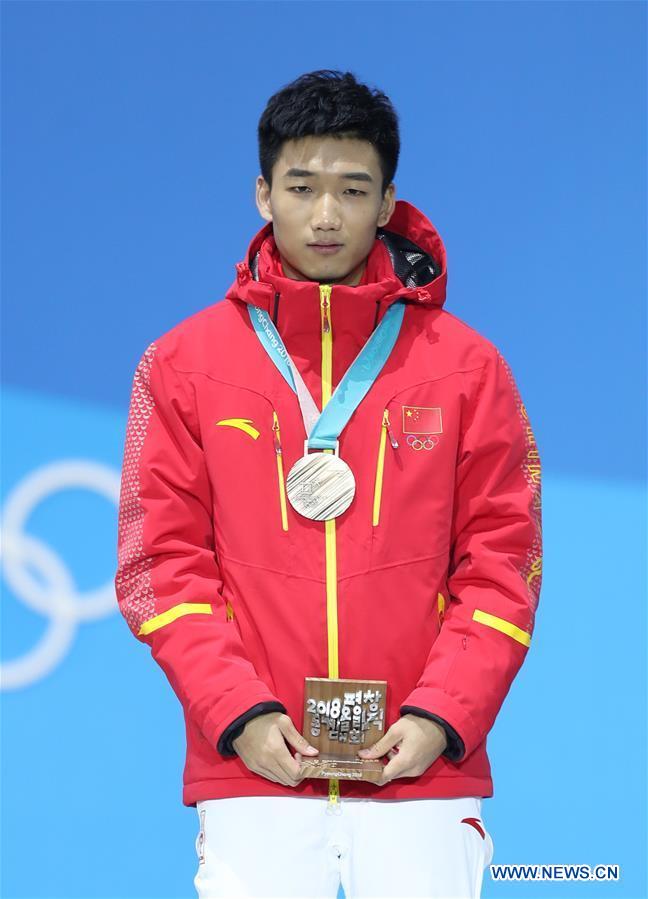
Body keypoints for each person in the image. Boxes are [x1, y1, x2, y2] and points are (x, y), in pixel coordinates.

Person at [114, 69, 543, 899]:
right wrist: (236, 713)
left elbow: (504, 565)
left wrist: (439, 717)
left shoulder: (468, 368)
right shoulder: (181, 365)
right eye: (301, 186)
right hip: (254, 767)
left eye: (352, 189)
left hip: (420, 771)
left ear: (386, 204)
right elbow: (160, 566)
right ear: (262, 194)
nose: (325, 214)